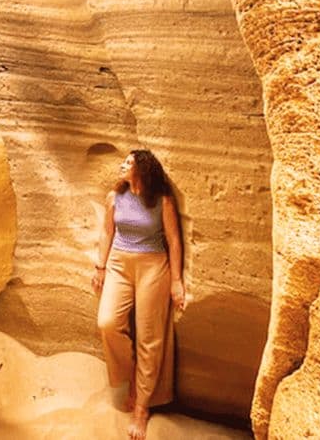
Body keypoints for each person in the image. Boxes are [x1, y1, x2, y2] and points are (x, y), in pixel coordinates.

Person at [92, 149, 187, 440]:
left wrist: (176, 280)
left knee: (150, 338)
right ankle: (131, 376)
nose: (122, 165)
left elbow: (173, 240)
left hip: (153, 265)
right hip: (120, 263)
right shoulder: (115, 197)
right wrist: (100, 266)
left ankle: (142, 409)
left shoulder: (162, 200)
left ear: (143, 168)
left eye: (129, 162)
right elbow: (107, 233)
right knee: (107, 323)